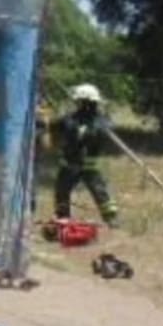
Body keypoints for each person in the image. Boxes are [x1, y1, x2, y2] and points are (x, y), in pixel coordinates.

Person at [54, 83, 119, 226]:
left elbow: (95, 133)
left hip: (79, 165)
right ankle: (63, 218)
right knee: (64, 191)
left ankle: (111, 218)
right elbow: (59, 126)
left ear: (83, 102)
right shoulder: (76, 119)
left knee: (98, 192)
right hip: (78, 165)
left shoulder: (96, 122)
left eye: (78, 101)